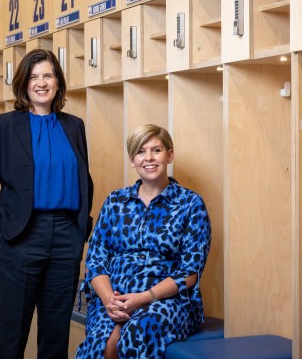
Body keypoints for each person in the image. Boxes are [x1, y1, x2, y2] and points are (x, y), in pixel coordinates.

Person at [0, 48, 93, 359]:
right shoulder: (4, 125)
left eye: (48, 76)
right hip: (20, 236)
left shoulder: (74, 126)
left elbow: (84, 178)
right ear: (24, 84)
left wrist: (83, 227)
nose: (41, 83)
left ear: (58, 83)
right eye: (34, 76)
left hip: (67, 237)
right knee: (13, 331)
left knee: (57, 332)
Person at [75, 124, 211, 359]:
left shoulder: (190, 204)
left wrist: (143, 298)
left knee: (133, 335)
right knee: (103, 342)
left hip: (167, 301)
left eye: (156, 150)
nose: (148, 158)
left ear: (169, 155)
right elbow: (95, 261)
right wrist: (109, 300)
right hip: (115, 296)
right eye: (140, 151)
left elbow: (189, 272)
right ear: (132, 159)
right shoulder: (116, 201)